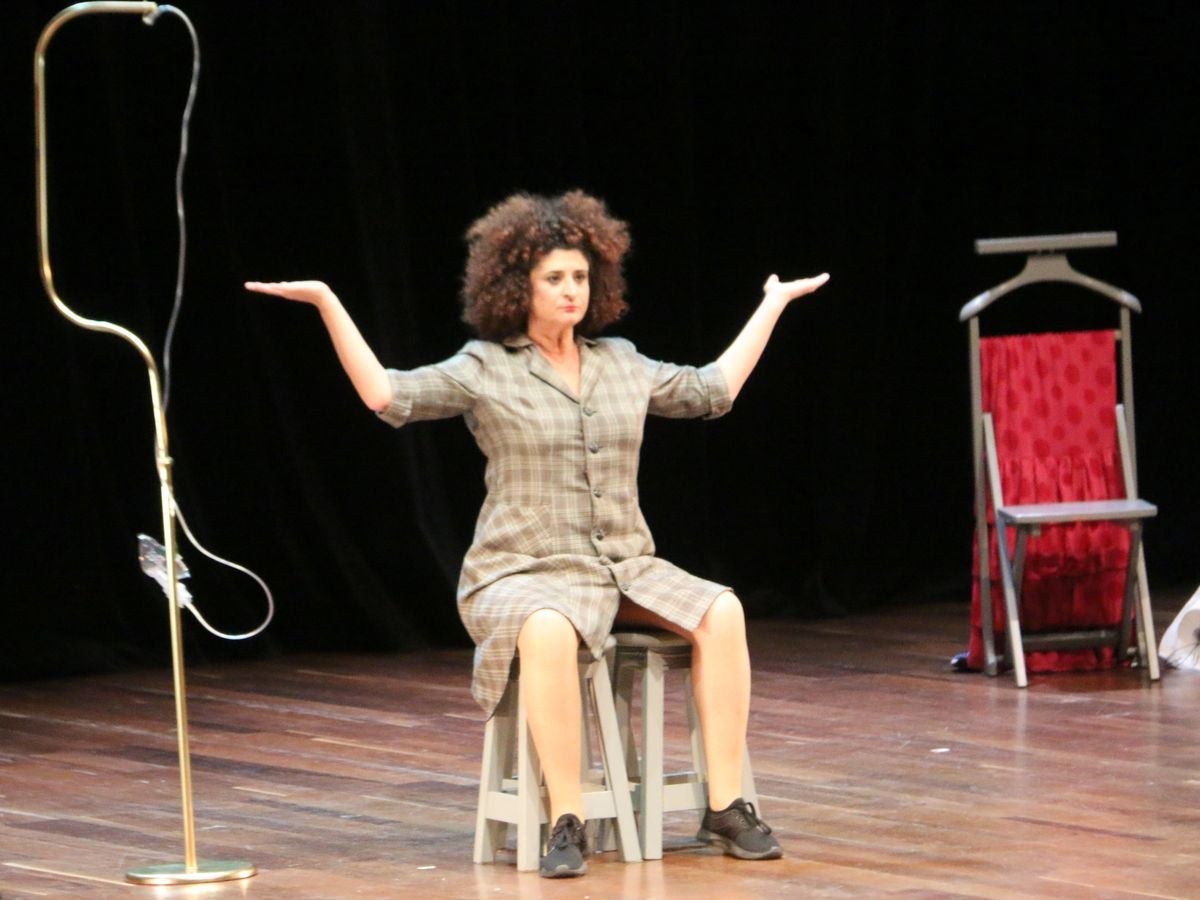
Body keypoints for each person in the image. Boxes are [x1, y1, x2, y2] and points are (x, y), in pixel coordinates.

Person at [246, 190, 828, 878]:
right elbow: (387, 396)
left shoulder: (620, 361)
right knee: (550, 627)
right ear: (516, 283)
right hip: (517, 574)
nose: (571, 290)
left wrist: (772, 305)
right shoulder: (484, 367)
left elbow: (711, 390)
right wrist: (326, 303)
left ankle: (726, 807)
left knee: (721, 609)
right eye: (555, 277)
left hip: (620, 568)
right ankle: (566, 818)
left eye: (580, 276)